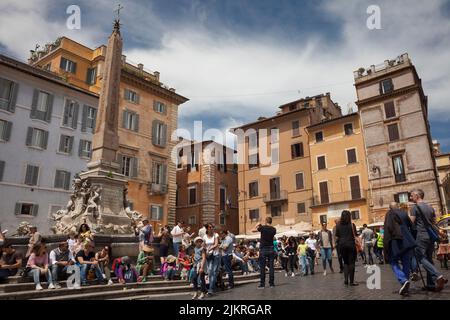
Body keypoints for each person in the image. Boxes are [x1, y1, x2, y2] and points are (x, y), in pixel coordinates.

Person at [409, 188, 447, 291]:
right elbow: (434, 223)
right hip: (431, 236)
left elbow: (411, 223)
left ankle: (438, 276)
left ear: (417, 196)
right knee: (429, 259)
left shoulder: (414, 208)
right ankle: (430, 285)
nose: (410, 197)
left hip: (421, 236)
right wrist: (440, 233)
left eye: (411, 195)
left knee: (420, 257)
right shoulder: (430, 207)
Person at [384, 202, 416, 296]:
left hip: (395, 242)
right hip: (407, 241)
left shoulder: (389, 214)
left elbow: (387, 229)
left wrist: (386, 245)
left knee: (393, 261)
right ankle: (405, 283)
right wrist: (412, 239)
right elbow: (412, 227)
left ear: (390, 208)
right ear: (397, 206)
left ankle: (403, 280)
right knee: (406, 262)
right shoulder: (404, 213)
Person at [252, 217, 276, 289]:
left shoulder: (263, 227)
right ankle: (271, 284)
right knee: (271, 267)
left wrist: (257, 224)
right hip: (271, 248)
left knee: (262, 267)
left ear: (265, 221)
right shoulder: (274, 229)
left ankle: (262, 284)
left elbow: (252, 230)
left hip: (263, 249)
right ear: (271, 221)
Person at [335, 210, 358, 286]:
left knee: (345, 262)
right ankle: (351, 281)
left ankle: (346, 280)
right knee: (351, 263)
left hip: (342, 245)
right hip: (350, 244)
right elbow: (355, 235)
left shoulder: (338, 225)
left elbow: (337, 236)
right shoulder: (352, 225)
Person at [203, 223, 220, 295]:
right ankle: (211, 287)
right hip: (208, 255)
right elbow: (204, 245)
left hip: (216, 254)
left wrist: (210, 248)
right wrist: (205, 251)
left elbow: (216, 244)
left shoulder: (216, 235)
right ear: (207, 228)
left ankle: (211, 288)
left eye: (212, 227)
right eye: (210, 227)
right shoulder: (204, 236)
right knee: (210, 271)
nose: (212, 228)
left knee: (214, 271)